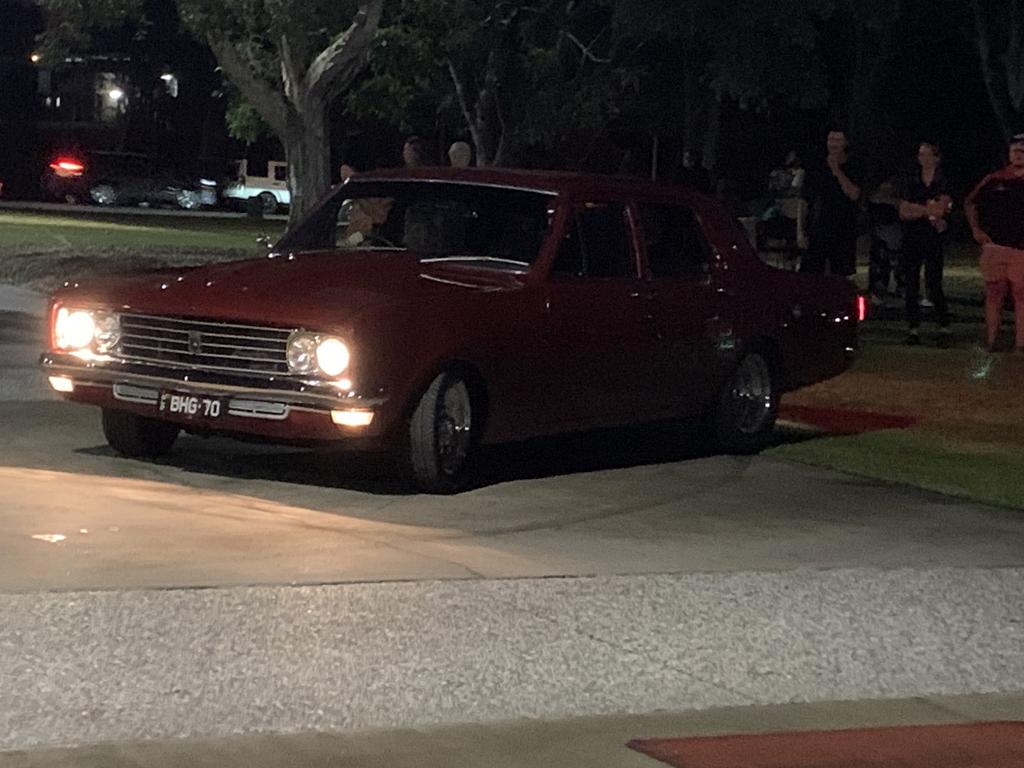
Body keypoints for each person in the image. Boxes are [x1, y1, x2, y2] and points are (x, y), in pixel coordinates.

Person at [965, 132, 1024, 353]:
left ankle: (1020, 344)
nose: (1018, 156)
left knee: (1021, 295)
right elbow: (970, 202)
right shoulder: (995, 179)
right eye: (1015, 151)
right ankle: (991, 340)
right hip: (995, 247)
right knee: (994, 293)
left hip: (1021, 249)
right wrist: (976, 230)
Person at [898, 143, 953, 346]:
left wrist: (920, 210)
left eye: (927, 154)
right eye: (920, 154)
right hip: (913, 237)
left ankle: (943, 324)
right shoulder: (911, 180)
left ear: (936, 157)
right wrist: (928, 210)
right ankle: (913, 328)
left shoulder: (943, 181)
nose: (923, 158)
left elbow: (942, 209)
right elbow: (904, 211)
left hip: (933, 238)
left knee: (933, 282)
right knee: (911, 283)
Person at [799, 130, 863, 276]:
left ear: (845, 143)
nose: (833, 144)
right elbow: (804, 200)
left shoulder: (853, 165)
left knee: (841, 273)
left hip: (843, 229)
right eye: (831, 140)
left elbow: (854, 194)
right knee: (812, 273)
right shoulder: (816, 167)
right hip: (818, 228)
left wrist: (837, 171)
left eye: (837, 140)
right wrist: (800, 231)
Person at [866, 180, 904, 304]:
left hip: (896, 239)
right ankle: (877, 291)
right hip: (881, 240)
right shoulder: (875, 204)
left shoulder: (897, 203)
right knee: (880, 266)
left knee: (900, 266)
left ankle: (902, 288)